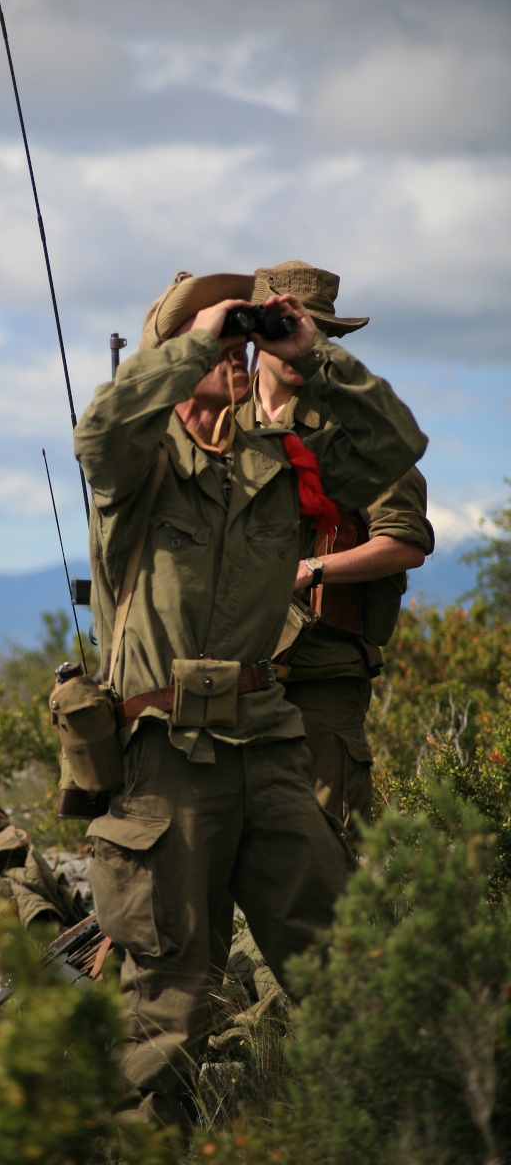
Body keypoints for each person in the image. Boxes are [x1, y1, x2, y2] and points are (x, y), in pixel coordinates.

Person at [73, 268, 428, 1134]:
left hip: (268, 743)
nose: (237, 349)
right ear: (175, 352)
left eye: (243, 336)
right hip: (164, 757)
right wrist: (199, 337)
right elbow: (98, 432)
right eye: (222, 336)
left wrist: (319, 356)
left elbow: (396, 452)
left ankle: (400, 1135)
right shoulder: (140, 467)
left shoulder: (281, 458)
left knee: (342, 959)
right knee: (166, 1004)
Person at [242, 260, 435, 837]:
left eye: (322, 335)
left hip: (320, 680)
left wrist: (311, 569)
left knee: (327, 854)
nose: (306, 345)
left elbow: (404, 542)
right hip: (230, 678)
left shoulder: (357, 429)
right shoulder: (221, 421)